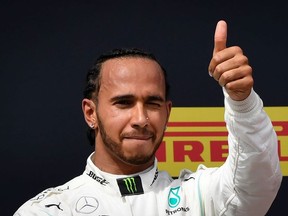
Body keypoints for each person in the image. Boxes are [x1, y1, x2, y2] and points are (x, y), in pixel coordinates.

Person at [14, 20, 282, 216]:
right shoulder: (48, 210)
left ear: (167, 112)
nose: (141, 118)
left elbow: (258, 181)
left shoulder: (200, 196)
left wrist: (242, 101)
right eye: (124, 103)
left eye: (152, 103)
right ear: (90, 113)